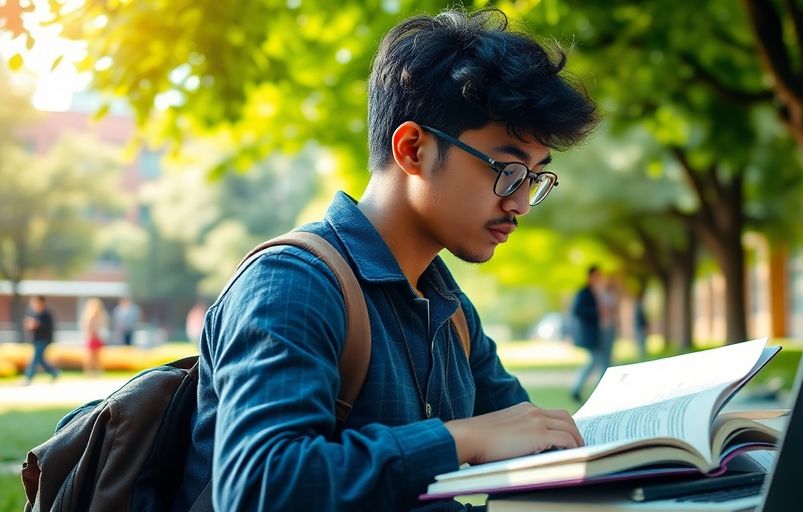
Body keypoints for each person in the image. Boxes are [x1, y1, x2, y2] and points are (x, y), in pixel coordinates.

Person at [176, 8, 599, 510]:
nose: (520, 203)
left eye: (534, 177)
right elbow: (259, 485)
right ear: (412, 148)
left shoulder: (449, 309)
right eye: (507, 169)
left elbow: (526, 435)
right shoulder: (292, 283)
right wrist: (459, 439)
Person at [570, 266, 606, 403]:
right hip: (589, 333)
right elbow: (578, 310)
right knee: (594, 360)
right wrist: (597, 312)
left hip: (597, 332)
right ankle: (576, 388)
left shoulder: (596, 292)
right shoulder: (584, 293)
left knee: (597, 360)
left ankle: (577, 388)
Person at [22, 296, 59, 385]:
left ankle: (28, 378)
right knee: (40, 359)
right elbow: (29, 325)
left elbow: (48, 327)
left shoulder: (46, 314)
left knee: (35, 358)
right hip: (36, 339)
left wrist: (37, 325)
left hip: (44, 339)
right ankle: (54, 372)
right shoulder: (33, 313)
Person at [79, 298, 108, 377]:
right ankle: (88, 372)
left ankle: (98, 371)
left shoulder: (99, 316)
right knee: (89, 357)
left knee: (97, 357)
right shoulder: (89, 317)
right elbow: (87, 327)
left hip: (97, 338)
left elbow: (102, 326)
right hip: (91, 338)